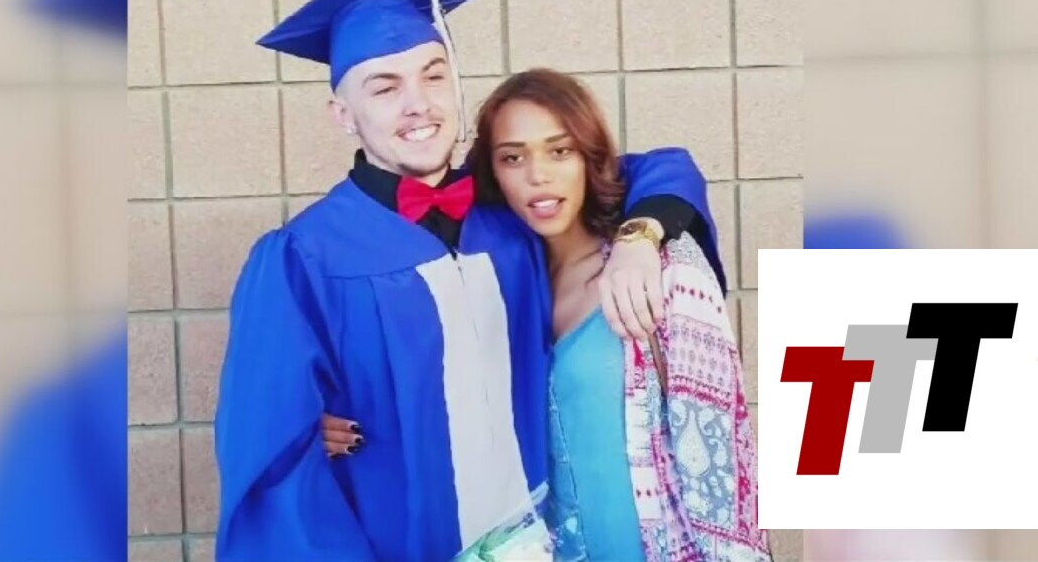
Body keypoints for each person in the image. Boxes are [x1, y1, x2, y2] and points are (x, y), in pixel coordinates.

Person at [215, 0, 720, 562]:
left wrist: (641, 236)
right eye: (385, 87)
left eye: (432, 76)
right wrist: (298, 424)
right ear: (343, 115)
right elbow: (275, 473)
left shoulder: (509, 214)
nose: (419, 104)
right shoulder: (302, 261)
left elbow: (659, 168)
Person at [326, 69, 770, 562]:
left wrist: (641, 235)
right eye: (512, 157)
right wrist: (325, 419)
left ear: (590, 158)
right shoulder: (496, 281)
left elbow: (720, 465)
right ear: (492, 175)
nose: (538, 175)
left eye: (561, 151)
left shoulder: (659, 269)